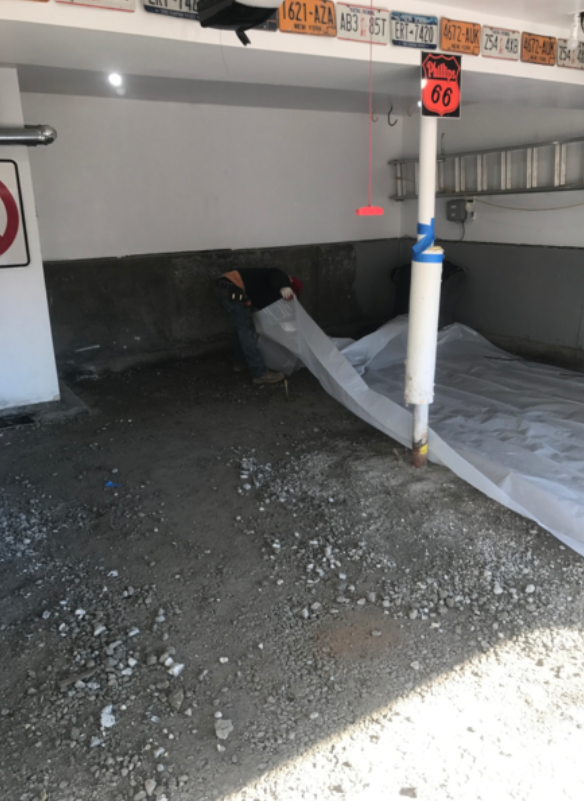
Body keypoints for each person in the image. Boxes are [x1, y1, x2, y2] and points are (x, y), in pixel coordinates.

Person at [215, 268, 303, 385]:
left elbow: (263, 306)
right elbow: (276, 274)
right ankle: (260, 373)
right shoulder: (282, 278)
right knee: (245, 330)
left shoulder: (264, 287)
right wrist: (283, 286)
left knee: (242, 327)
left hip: (226, 287)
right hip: (233, 288)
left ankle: (240, 362)